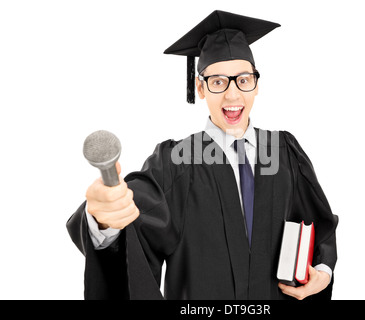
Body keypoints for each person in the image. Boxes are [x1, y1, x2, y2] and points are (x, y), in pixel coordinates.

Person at [67, 10, 338, 300]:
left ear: (256, 85)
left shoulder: (283, 151)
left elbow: (317, 223)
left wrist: (322, 270)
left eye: (243, 80)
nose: (233, 95)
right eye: (218, 81)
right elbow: (132, 218)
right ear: (200, 87)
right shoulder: (177, 160)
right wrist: (104, 219)